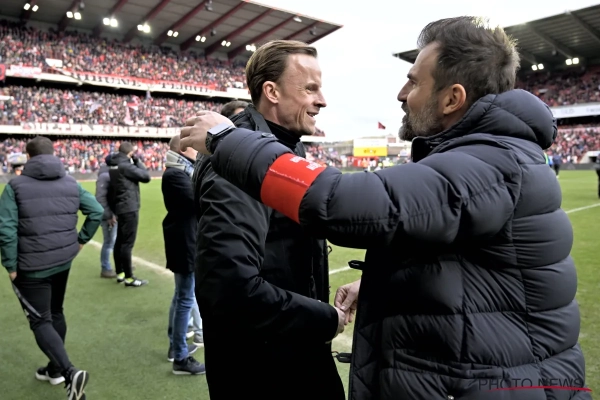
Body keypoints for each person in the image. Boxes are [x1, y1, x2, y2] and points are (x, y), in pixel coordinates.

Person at [180, 17, 590, 400]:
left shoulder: (487, 163)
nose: (401, 93)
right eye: (310, 89)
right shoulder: (489, 156)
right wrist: (383, 282)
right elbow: (460, 267)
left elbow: (344, 203)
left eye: (413, 81)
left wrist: (225, 141)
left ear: (452, 98)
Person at [191, 40, 346, 400]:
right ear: (272, 92)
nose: (322, 100)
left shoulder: (284, 146)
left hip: (293, 353)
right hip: (264, 371)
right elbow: (230, 288)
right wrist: (323, 319)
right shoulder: (237, 164)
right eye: (310, 88)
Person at [0, 136, 104, 400]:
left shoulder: (15, 186)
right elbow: (96, 211)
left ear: (28, 156)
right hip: (63, 261)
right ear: (53, 153)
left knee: (40, 320)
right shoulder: (70, 182)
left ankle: (69, 372)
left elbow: (6, 228)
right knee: (56, 312)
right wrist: (81, 241)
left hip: (31, 267)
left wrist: (10, 265)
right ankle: (55, 369)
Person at [162, 134, 205, 375]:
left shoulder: (179, 172)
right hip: (185, 243)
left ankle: (175, 346)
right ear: (183, 149)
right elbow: (198, 201)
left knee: (181, 297)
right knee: (185, 299)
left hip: (185, 240)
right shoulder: (175, 175)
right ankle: (180, 356)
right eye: (194, 147)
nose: (197, 151)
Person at [109, 142, 151, 287]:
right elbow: (146, 177)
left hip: (119, 206)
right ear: (130, 153)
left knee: (120, 241)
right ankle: (129, 277)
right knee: (127, 243)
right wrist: (137, 160)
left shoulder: (113, 164)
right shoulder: (125, 166)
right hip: (129, 206)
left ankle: (120, 273)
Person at [95, 154, 118, 278]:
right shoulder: (104, 176)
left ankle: (120, 264)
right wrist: (109, 215)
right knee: (109, 241)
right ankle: (105, 268)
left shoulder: (109, 174)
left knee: (115, 240)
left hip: (114, 214)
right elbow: (100, 198)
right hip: (108, 216)